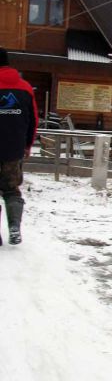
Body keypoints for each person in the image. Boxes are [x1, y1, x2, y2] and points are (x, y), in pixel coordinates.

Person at [0, 47, 38, 245]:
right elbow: (33, 120)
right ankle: (14, 227)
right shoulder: (25, 88)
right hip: (14, 149)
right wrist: (28, 145)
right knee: (11, 189)